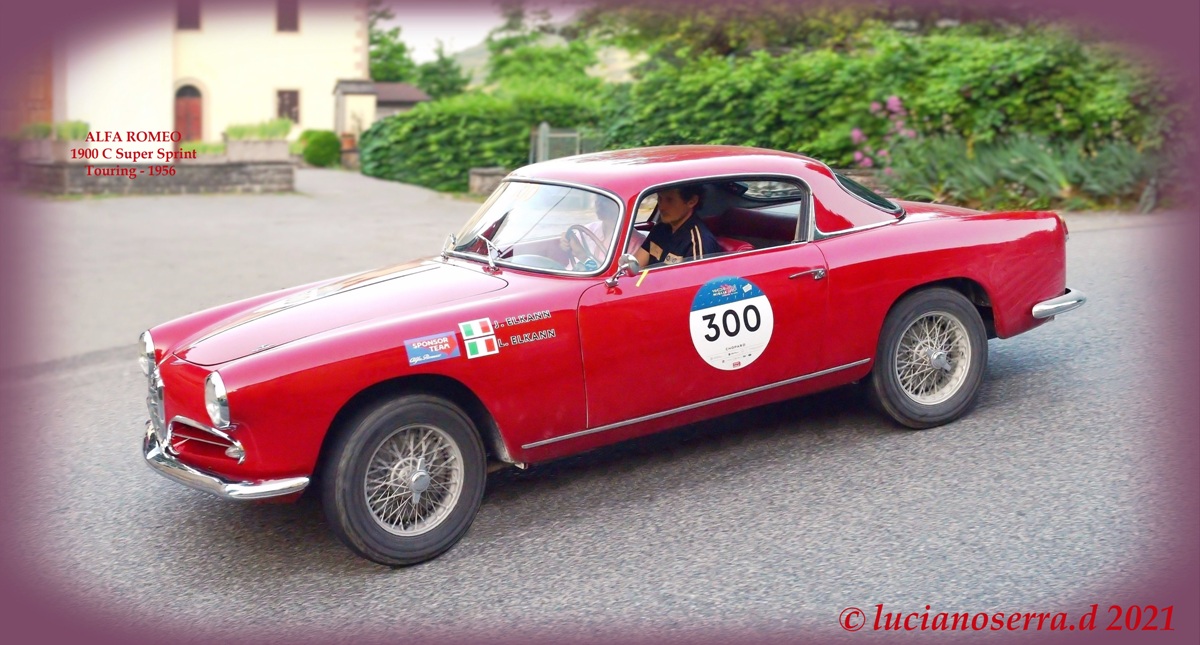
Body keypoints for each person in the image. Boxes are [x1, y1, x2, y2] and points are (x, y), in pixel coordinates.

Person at [635, 185, 721, 267]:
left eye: (670, 200)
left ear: (692, 201)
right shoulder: (659, 229)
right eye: (660, 198)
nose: (661, 206)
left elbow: (695, 276)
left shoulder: (697, 243)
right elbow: (635, 266)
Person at [562, 196, 619, 271]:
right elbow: (570, 249)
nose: (598, 203)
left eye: (605, 200)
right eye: (598, 199)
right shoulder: (587, 229)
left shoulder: (628, 240)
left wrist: (583, 257)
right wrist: (565, 242)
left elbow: (610, 274)